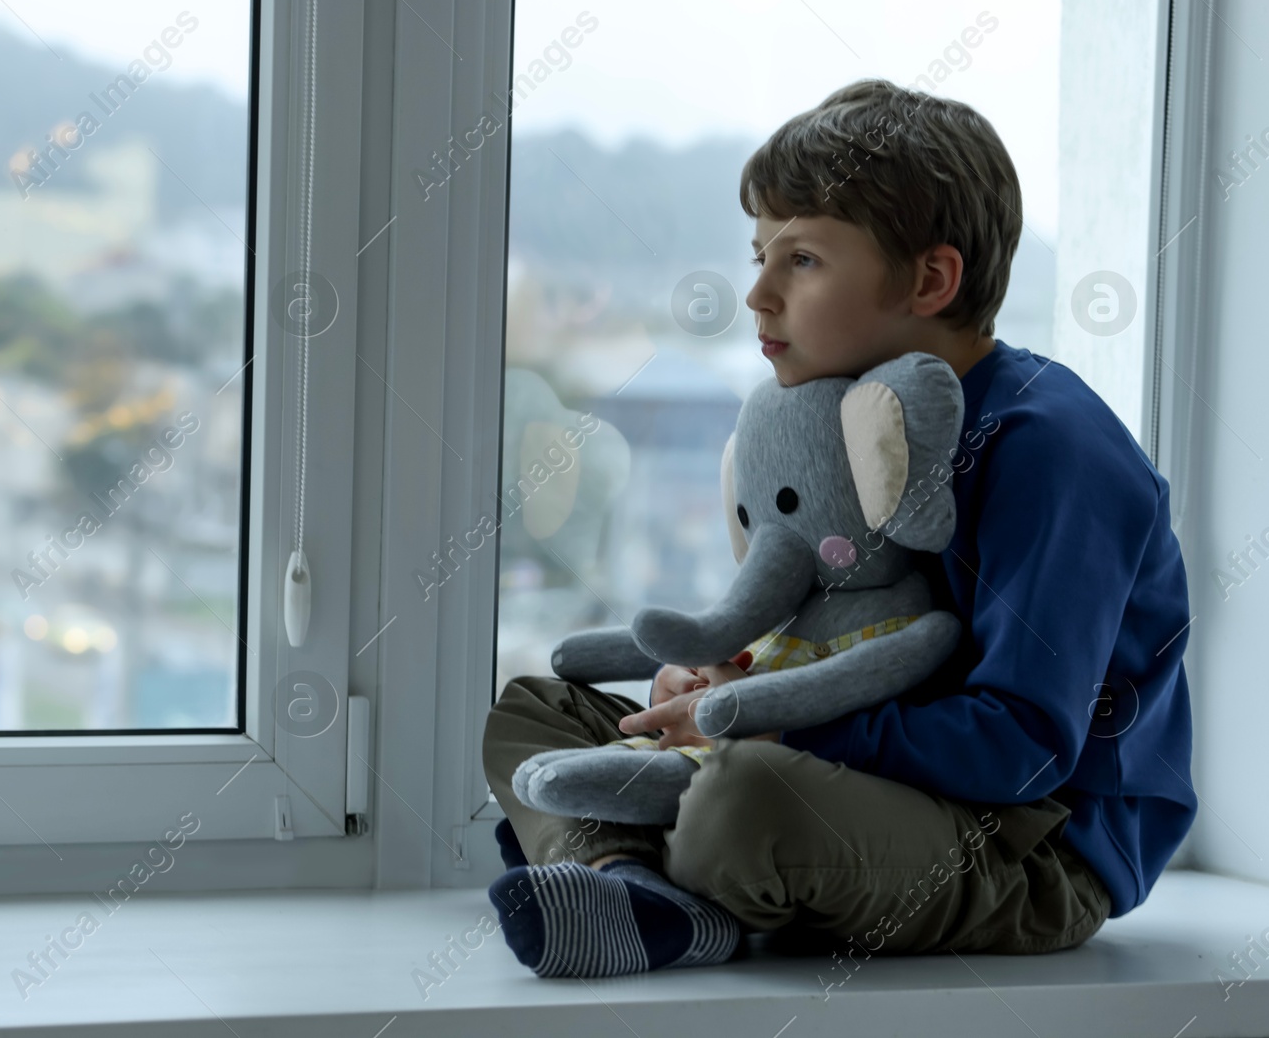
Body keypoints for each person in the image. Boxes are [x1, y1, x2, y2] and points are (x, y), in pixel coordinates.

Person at [483, 78, 1197, 980]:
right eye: (758, 257)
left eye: (803, 261)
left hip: (1031, 842)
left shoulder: (1049, 451)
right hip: (865, 774)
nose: (758, 297)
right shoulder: (843, 410)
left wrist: (773, 733)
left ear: (931, 280)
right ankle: (638, 888)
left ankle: (634, 867)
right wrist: (733, 678)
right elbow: (831, 615)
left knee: (743, 795)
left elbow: (1024, 745)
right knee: (534, 709)